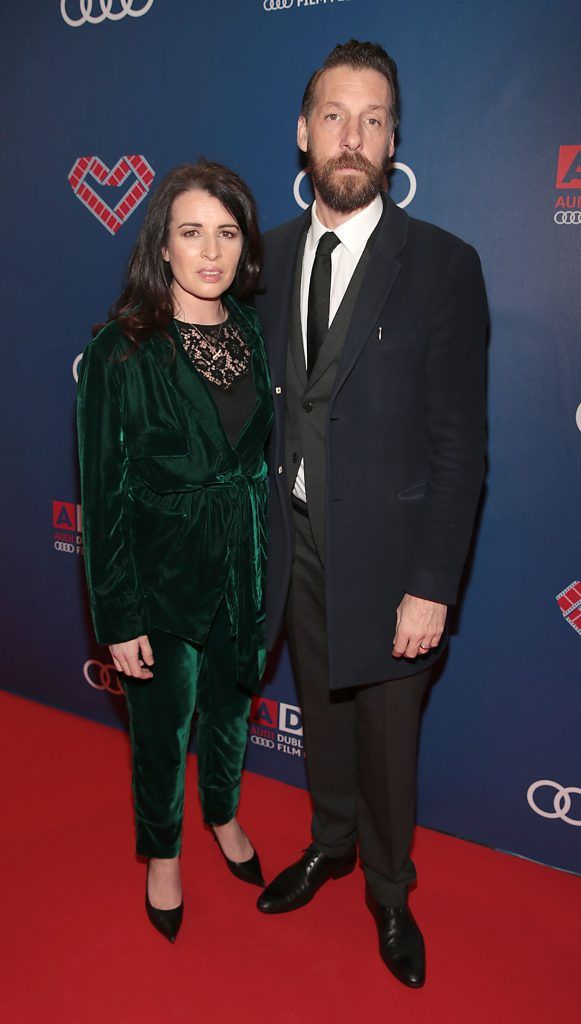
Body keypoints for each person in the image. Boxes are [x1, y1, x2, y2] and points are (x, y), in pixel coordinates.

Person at [254, 41, 487, 987]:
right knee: (322, 714)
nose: (352, 138)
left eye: (374, 119)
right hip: (295, 546)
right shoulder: (261, 258)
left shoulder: (442, 265)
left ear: (394, 140)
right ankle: (332, 843)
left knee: (390, 743)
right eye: (335, 117)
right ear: (303, 132)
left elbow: (459, 447)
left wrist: (431, 586)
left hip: (393, 563)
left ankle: (388, 891)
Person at [77, 161, 273, 943]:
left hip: (245, 563)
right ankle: (162, 853)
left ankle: (223, 814)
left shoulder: (254, 332)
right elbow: (103, 494)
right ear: (162, 245)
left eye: (227, 233)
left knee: (231, 710)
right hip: (159, 578)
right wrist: (116, 615)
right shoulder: (119, 352)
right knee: (162, 729)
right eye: (191, 233)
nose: (211, 251)